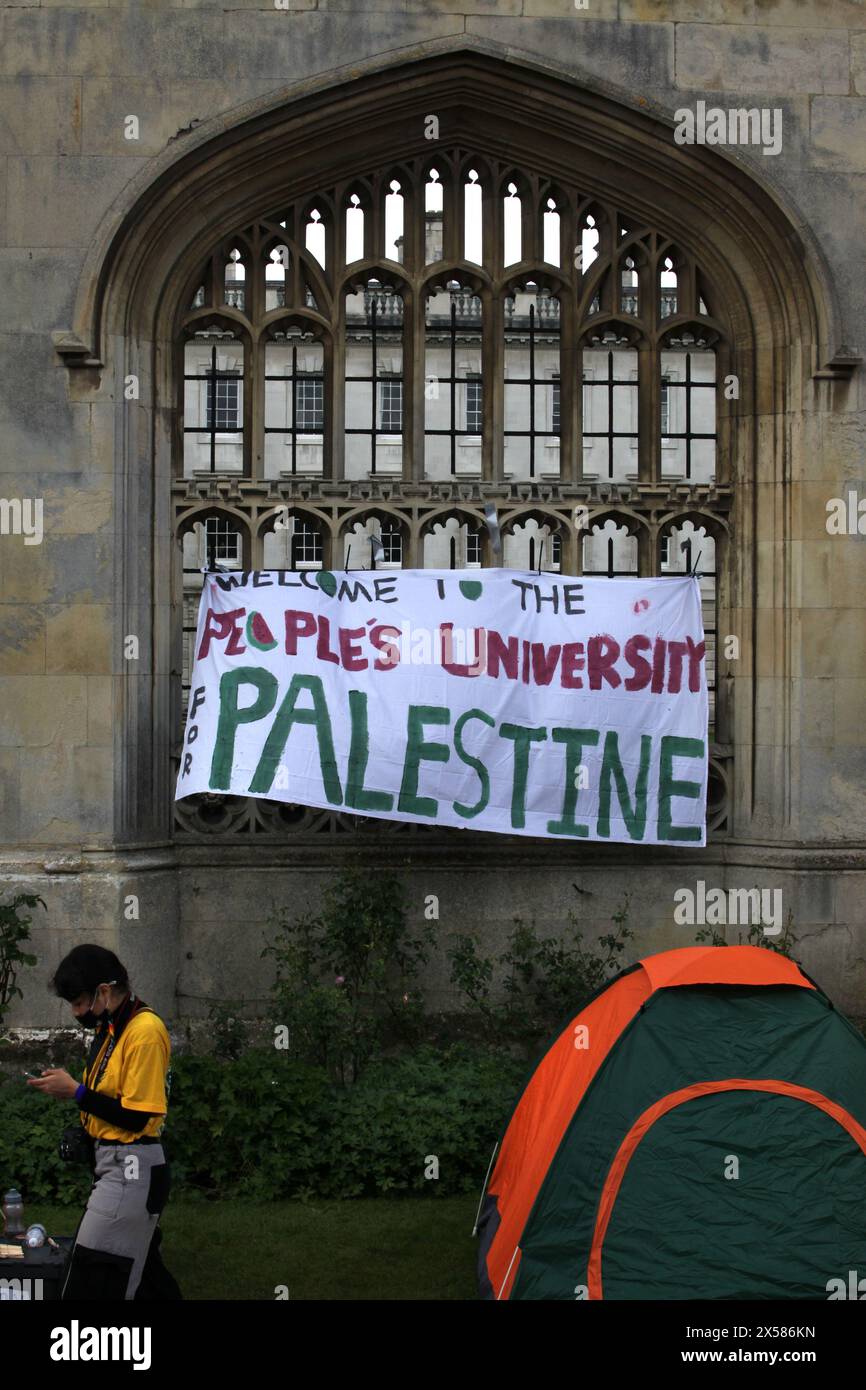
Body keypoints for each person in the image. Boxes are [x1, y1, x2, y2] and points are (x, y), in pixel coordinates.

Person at [28, 944, 182, 1300]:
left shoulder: (143, 1031)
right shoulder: (113, 1029)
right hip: (117, 1166)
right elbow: (111, 1103)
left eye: (80, 1002)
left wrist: (77, 1093)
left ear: (104, 991)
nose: (77, 1012)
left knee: (93, 1277)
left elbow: (138, 1115)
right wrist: (86, 1129)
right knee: (143, 1278)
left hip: (131, 1169)